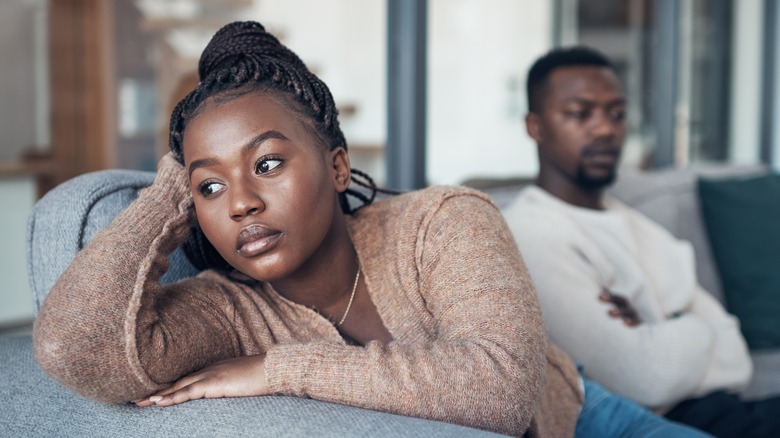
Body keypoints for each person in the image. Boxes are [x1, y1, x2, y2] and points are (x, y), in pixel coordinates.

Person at [33, 20, 585, 437]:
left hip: (585, 413)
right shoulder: (227, 310)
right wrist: (169, 192)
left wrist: (279, 370)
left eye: (267, 164)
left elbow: (501, 391)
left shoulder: (442, 221)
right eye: (211, 188)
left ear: (337, 166)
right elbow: (72, 349)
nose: (242, 204)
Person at [503, 45, 780, 437]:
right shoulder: (530, 232)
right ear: (535, 126)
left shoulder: (633, 219)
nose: (605, 129)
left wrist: (658, 328)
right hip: (673, 422)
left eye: (616, 113)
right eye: (580, 114)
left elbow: (738, 357)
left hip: (733, 409)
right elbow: (643, 380)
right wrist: (698, 324)